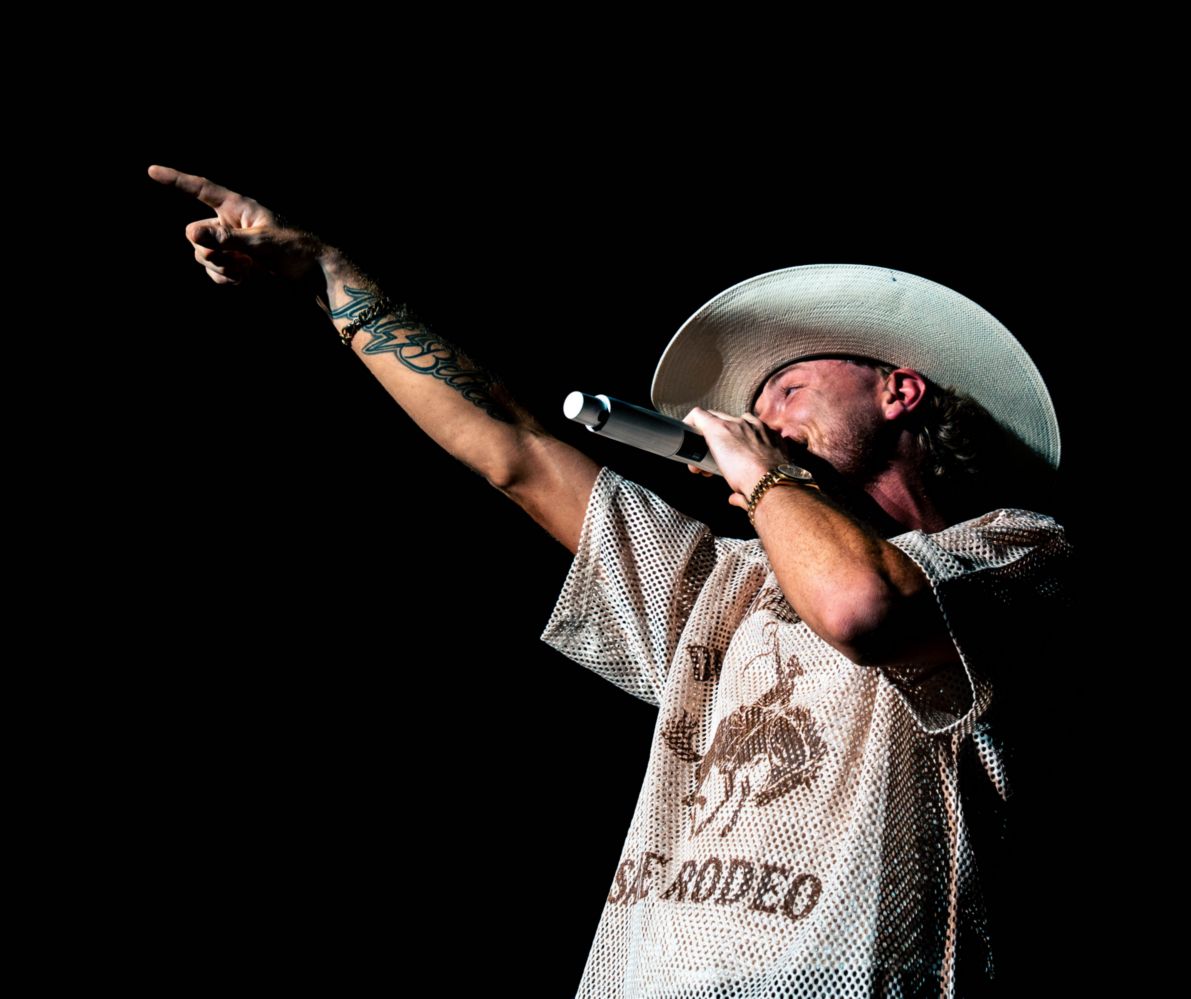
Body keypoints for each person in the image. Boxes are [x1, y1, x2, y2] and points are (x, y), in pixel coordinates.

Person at [150, 164, 1073, 997]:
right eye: (751, 411)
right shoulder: (724, 580)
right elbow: (513, 450)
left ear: (898, 391)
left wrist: (761, 472)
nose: (758, 417)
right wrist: (330, 277)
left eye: (788, 390)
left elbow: (860, 606)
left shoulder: (1014, 551)